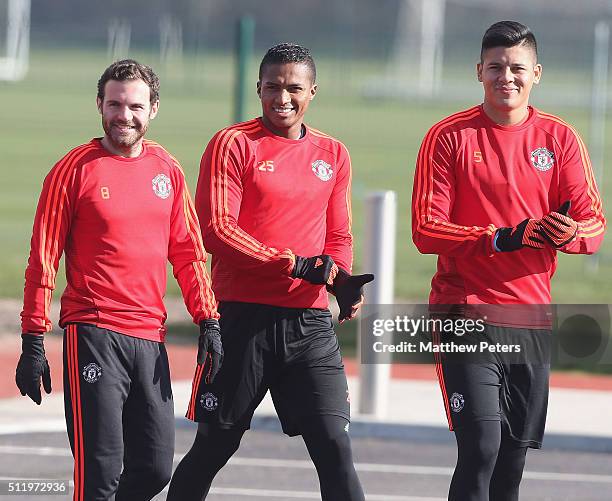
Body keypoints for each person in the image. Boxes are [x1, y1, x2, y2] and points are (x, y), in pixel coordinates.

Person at [167, 43, 372, 501]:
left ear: (313, 91)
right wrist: (295, 264)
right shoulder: (232, 143)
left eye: (294, 88)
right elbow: (218, 230)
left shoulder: (333, 153)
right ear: (258, 88)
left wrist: (340, 280)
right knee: (214, 446)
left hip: (309, 325)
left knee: (335, 446)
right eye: (273, 87)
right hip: (240, 322)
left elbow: (337, 235)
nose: (283, 97)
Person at [412, 21, 605, 501]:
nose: (507, 77)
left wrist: (569, 233)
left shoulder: (560, 139)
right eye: (495, 67)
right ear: (479, 71)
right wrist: (503, 238)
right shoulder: (448, 137)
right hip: (464, 311)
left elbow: (594, 224)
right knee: (481, 447)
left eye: (517, 68)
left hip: (530, 316)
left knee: (513, 460)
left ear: (536, 74)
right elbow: (425, 229)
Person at [15, 59, 223, 501]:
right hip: (93, 332)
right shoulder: (72, 171)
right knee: (100, 475)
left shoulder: (167, 169)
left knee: (153, 469)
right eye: (114, 104)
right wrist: (34, 340)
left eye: (134, 106)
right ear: (99, 105)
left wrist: (209, 319)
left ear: (153, 110)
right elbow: (43, 261)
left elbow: (187, 252)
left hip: (149, 336)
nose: (123, 115)